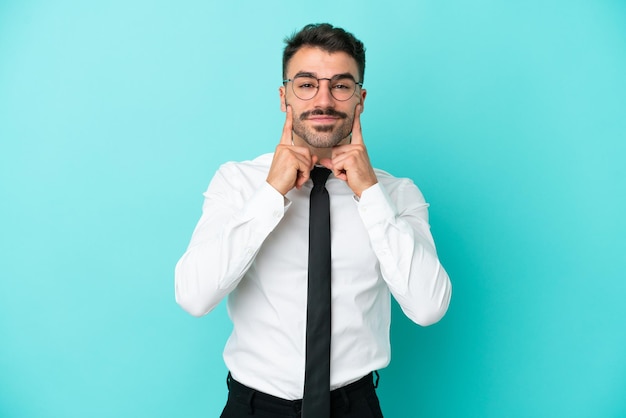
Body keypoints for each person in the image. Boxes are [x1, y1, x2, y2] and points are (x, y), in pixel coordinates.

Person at [175, 23, 452, 418]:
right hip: (253, 407)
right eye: (306, 84)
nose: (323, 100)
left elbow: (428, 308)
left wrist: (370, 194)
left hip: (354, 407)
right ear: (283, 96)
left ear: (361, 98)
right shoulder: (237, 183)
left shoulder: (397, 194)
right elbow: (194, 297)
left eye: (341, 85)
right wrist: (271, 192)